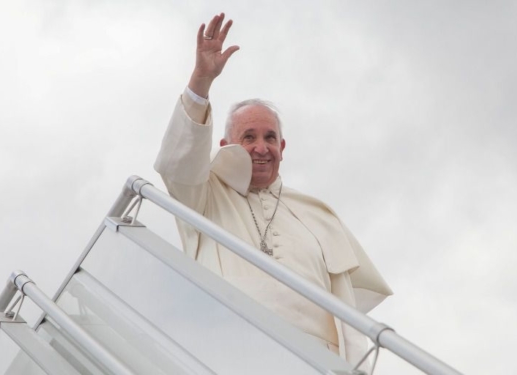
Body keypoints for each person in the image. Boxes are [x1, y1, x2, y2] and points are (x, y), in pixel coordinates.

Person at [154, 13, 392, 366]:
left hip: (315, 360)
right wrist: (201, 80)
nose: (261, 148)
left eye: (270, 138)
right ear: (224, 143)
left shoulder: (315, 213)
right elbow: (179, 161)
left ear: (283, 147)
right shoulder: (204, 194)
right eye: (248, 137)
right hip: (231, 349)